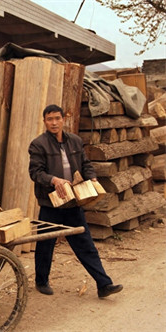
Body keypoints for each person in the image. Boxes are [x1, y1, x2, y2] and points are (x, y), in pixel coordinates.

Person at [28, 104, 123, 298]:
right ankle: (41, 281)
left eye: (57, 118)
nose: (54, 123)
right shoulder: (38, 144)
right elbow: (35, 172)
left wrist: (92, 177)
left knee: (85, 244)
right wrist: (54, 180)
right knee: (45, 245)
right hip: (51, 203)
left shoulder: (75, 141)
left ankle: (104, 285)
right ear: (44, 122)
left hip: (73, 202)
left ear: (64, 119)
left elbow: (86, 164)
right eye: (49, 119)